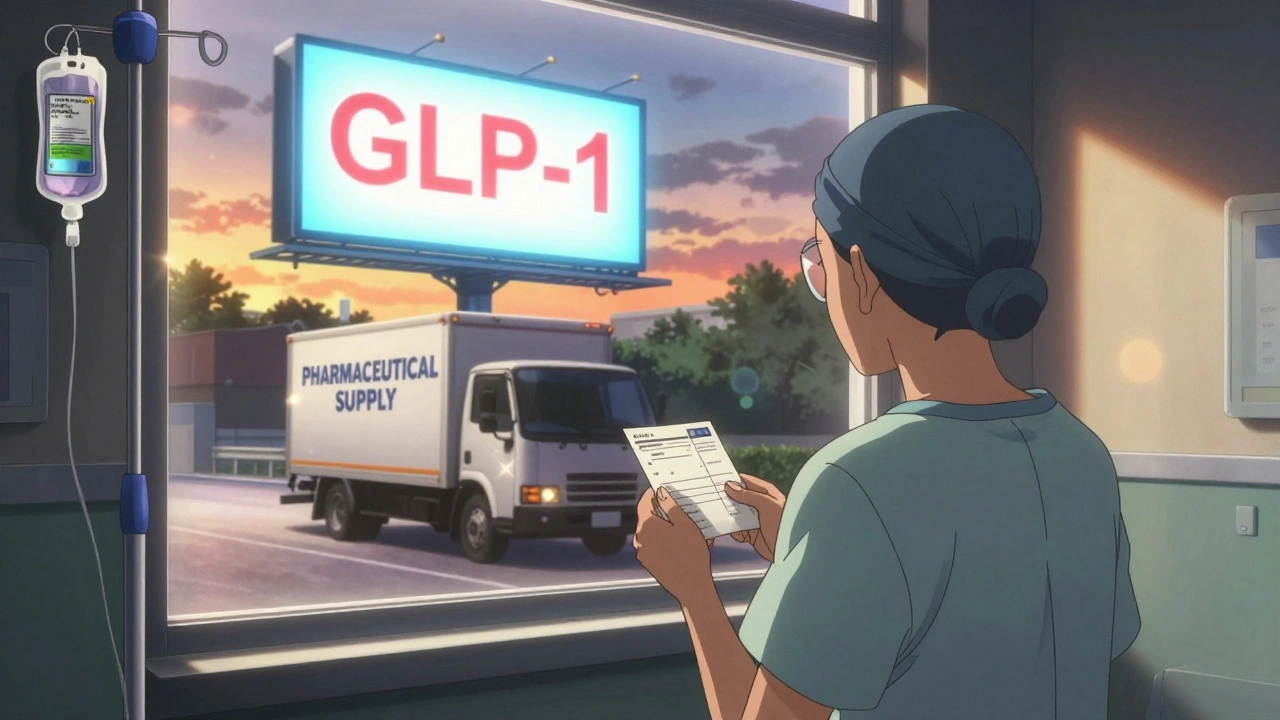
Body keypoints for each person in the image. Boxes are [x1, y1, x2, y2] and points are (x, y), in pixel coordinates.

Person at [632, 105, 1141, 720]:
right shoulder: (1081, 452)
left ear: (864, 274)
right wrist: (805, 551)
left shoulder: (857, 480)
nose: (821, 289)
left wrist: (694, 590)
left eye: (818, 261)